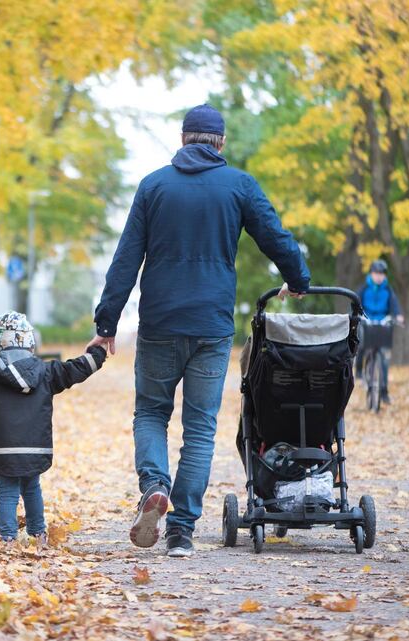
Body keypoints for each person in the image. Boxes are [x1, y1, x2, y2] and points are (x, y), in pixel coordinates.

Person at [87, 104, 311, 557]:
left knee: (151, 413)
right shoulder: (238, 186)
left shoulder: (153, 186)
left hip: (160, 323)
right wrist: (299, 279)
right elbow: (276, 236)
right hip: (211, 325)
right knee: (200, 428)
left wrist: (106, 323)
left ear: (183, 138)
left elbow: (126, 258)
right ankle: (182, 531)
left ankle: (154, 485)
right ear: (221, 143)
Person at [0, 311, 107, 542]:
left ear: (1, 344)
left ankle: (7, 538)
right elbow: (75, 370)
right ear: (29, 342)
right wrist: (98, 352)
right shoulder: (47, 372)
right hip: (36, 448)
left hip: (2, 450)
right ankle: (38, 533)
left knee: (7, 492)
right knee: (32, 488)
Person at [356, 259, 404, 404]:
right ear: (371, 274)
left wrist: (399, 315)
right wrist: (355, 314)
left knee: (383, 357)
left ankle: (384, 392)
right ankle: (358, 372)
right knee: (361, 346)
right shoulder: (364, 288)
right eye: (376, 273)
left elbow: (394, 305)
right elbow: (356, 302)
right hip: (367, 321)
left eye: (382, 274)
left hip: (382, 322)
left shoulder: (388, 289)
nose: (379, 276)